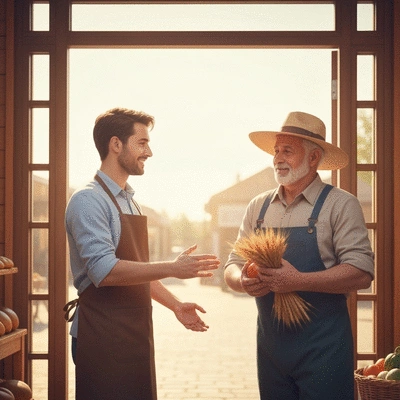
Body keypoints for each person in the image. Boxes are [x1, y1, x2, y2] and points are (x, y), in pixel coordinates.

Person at [64, 107, 220, 400]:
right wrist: (172, 268)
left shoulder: (129, 202)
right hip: (101, 335)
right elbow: (105, 271)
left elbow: (138, 270)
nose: (149, 152)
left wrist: (175, 305)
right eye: (142, 143)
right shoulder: (88, 200)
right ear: (115, 144)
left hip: (134, 335)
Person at [224, 111, 374, 400]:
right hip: (271, 350)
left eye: (288, 151)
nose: (278, 158)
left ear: (314, 157)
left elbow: (361, 271)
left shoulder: (341, 205)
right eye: (276, 151)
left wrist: (298, 280)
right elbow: (233, 265)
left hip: (324, 349)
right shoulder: (259, 207)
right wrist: (241, 281)